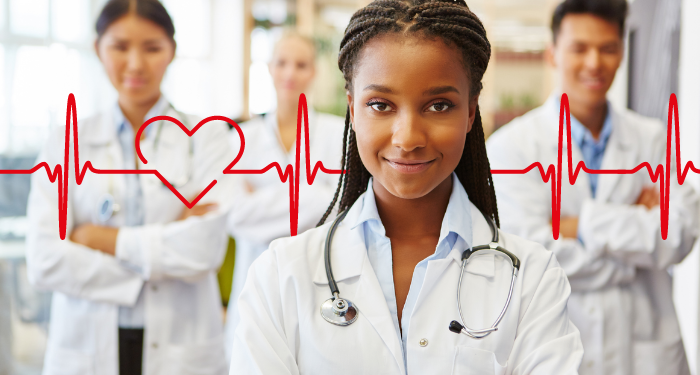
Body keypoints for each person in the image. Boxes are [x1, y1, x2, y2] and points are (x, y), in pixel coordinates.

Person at [229, 0, 584, 373]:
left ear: (470, 111)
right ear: (352, 109)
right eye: (381, 105)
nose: (408, 137)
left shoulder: (532, 278)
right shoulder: (280, 275)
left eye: (439, 105)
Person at [486, 0, 699, 374]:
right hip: (557, 349)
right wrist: (634, 233)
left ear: (622, 53)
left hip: (647, 355)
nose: (594, 63)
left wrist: (579, 225)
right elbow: (532, 258)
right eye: (579, 48)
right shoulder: (511, 149)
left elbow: (678, 234)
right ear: (553, 53)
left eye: (608, 48)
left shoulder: (655, 142)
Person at [26, 1, 233, 374]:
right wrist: (163, 248)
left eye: (152, 48)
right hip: (86, 346)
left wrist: (95, 237)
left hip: (181, 349)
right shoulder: (65, 142)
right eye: (120, 47)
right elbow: (45, 259)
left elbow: (203, 249)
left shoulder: (207, 137)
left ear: (171, 50)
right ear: (97, 49)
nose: (136, 64)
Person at [223, 32, 345, 358]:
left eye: (301, 64)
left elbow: (341, 208)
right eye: (282, 63)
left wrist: (260, 200)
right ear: (269, 68)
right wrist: (315, 195)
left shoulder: (338, 134)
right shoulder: (241, 140)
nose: (290, 73)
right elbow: (233, 215)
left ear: (314, 71)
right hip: (254, 281)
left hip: (317, 281)